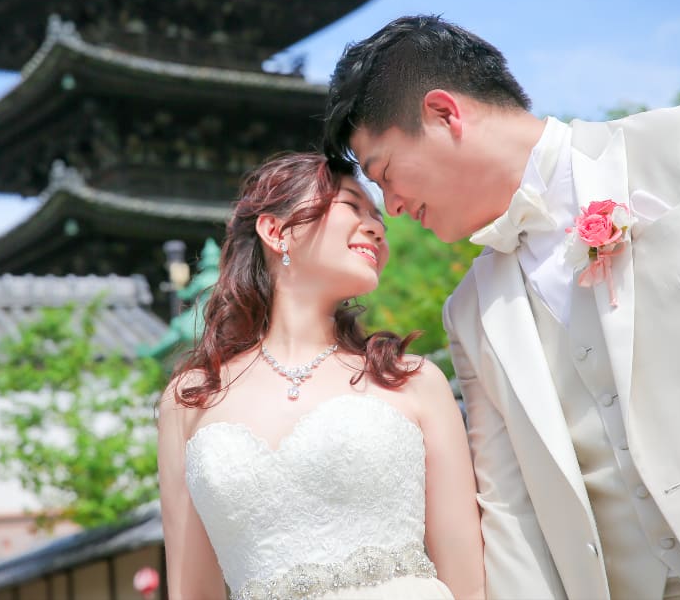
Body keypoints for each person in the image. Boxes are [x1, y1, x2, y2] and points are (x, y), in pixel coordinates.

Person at [322, 14, 680, 600]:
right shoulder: (470, 311)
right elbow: (512, 512)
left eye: (385, 174)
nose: (393, 207)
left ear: (445, 114)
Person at [157, 152, 486, 600]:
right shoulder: (190, 399)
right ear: (276, 231)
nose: (377, 228)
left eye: (379, 220)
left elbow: (468, 577)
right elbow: (191, 591)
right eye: (352, 205)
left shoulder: (412, 380)